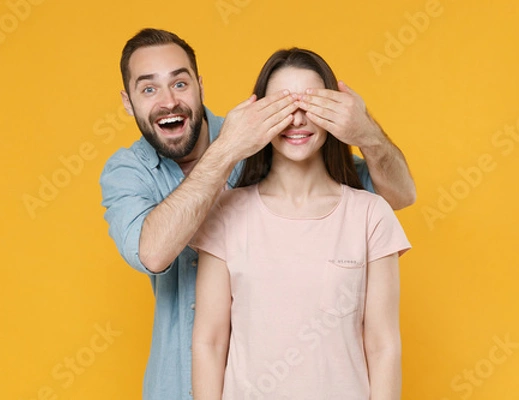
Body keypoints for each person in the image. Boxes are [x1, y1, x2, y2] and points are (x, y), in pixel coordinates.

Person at [100, 28, 415, 399]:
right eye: (148, 88)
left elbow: (396, 194)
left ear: (200, 85)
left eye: (180, 83)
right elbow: (152, 253)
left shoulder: (274, 142)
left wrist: (367, 133)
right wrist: (229, 149)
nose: (169, 101)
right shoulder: (131, 171)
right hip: (178, 383)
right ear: (128, 101)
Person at [190, 48, 411, 400]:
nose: (297, 121)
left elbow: (383, 346)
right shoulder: (226, 213)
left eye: (311, 105)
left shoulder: (371, 215)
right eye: (282, 107)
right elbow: (210, 341)